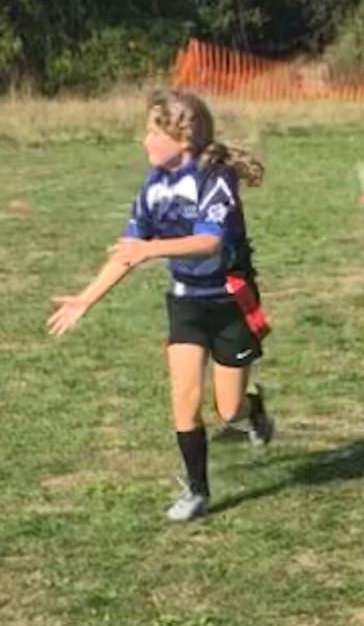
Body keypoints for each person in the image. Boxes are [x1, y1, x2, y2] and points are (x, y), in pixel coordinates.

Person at [47, 89, 273, 522]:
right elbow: (128, 251)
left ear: (182, 137)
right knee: (184, 399)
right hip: (186, 302)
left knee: (229, 410)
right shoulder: (152, 187)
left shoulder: (214, 178)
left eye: (153, 132)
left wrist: (152, 249)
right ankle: (197, 492)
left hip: (230, 301)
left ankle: (254, 411)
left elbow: (209, 241)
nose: (144, 140)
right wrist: (85, 299)